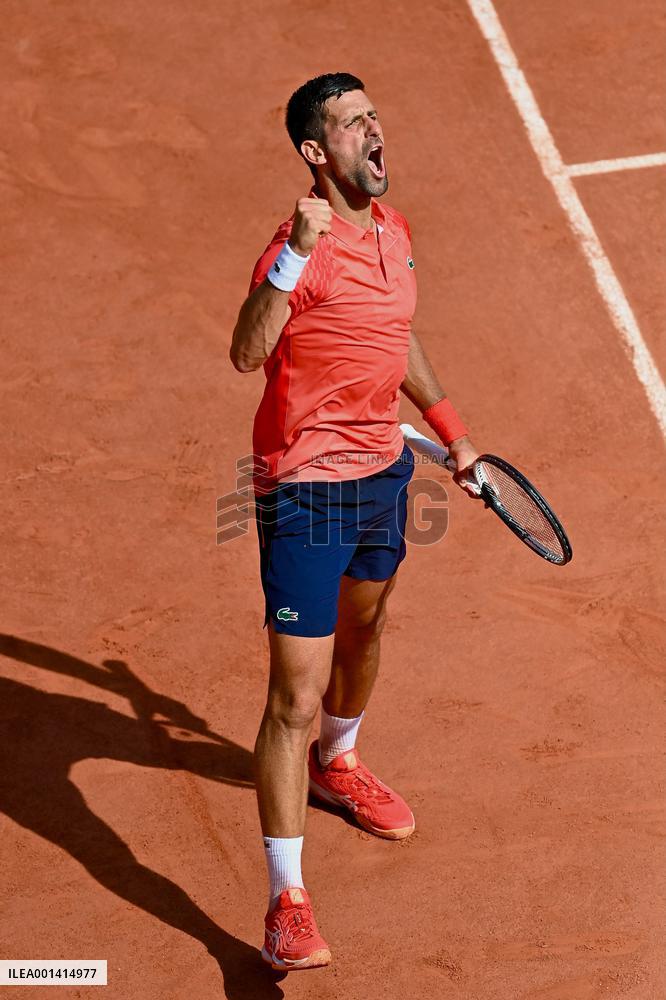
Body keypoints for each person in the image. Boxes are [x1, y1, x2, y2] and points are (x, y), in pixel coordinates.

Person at [230, 72, 480, 972]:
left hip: (385, 473)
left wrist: (453, 434)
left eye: (376, 115)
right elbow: (246, 350)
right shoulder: (296, 249)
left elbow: (398, 333)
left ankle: (342, 761)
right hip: (303, 489)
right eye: (353, 123)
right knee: (292, 697)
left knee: (367, 626)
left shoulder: (394, 233)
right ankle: (285, 902)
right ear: (315, 152)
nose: (376, 132)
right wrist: (294, 255)